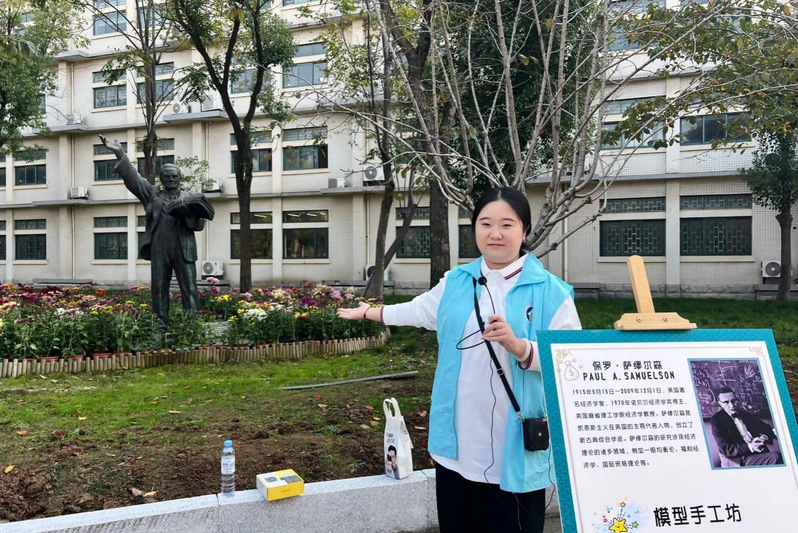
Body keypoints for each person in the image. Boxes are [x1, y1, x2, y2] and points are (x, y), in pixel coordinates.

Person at [338, 187, 581, 533]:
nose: (495, 233)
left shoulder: (551, 291)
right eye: (486, 223)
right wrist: (371, 313)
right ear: (475, 228)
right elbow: (419, 311)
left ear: (524, 230)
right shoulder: (457, 281)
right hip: (459, 445)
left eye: (507, 224)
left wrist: (520, 347)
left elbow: (571, 361)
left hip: (516, 445)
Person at [99, 135, 214, 333]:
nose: (171, 179)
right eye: (167, 177)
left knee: (189, 287)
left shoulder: (190, 198)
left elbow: (199, 226)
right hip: (159, 248)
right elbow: (134, 179)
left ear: (179, 178)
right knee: (159, 288)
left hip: (183, 248)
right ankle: (160, 326)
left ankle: (192, 326)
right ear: (162, 179)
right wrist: (119, 153)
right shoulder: (153, 195)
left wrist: (187, 212)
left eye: (174, 176)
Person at [710, 386, 782, 467]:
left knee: (781, 456)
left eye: (733, 401)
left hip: (757, 454)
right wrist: (751, 447)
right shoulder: (717, 420)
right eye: (726, 402)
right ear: (720, 403)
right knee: (775, 457)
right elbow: (726, 449)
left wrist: (763, 438)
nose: (731, 405)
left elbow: (766, 428)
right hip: (738, 459)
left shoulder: (744, 414)